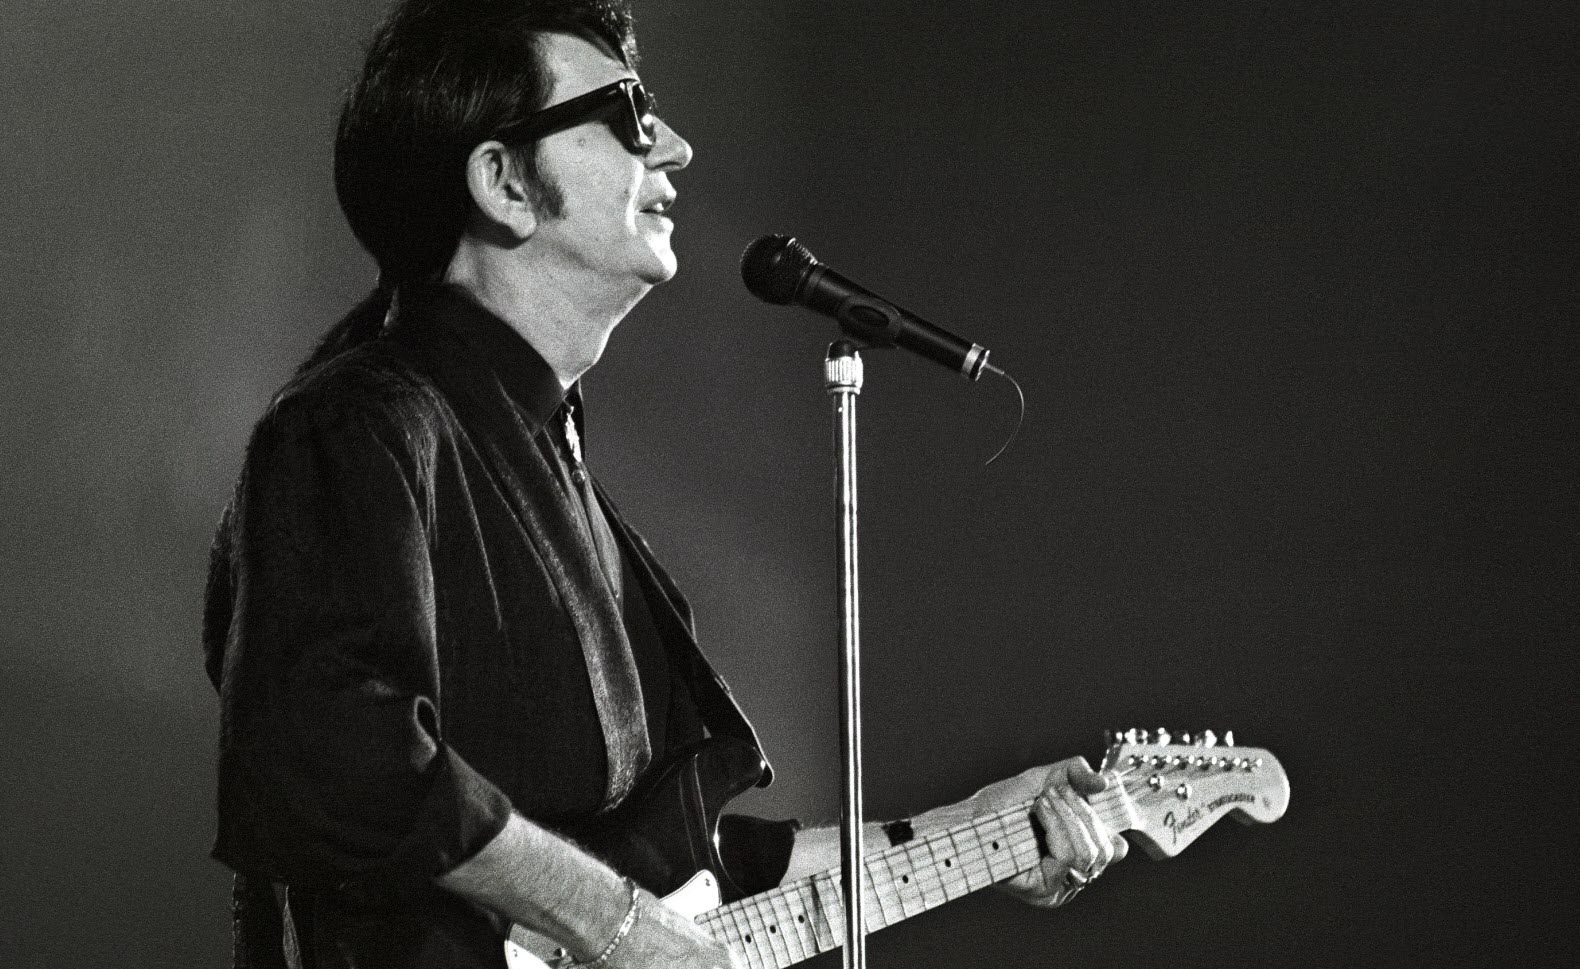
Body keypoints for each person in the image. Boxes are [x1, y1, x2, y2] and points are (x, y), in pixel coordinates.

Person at [203, 2, 1126, 967]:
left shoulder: (541, 454)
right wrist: (616, 924)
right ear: (504, 182)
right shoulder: (357, 423)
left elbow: (689, 864)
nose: (676, 148)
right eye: (630, 115)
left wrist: (974, 833)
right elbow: (334, 752)